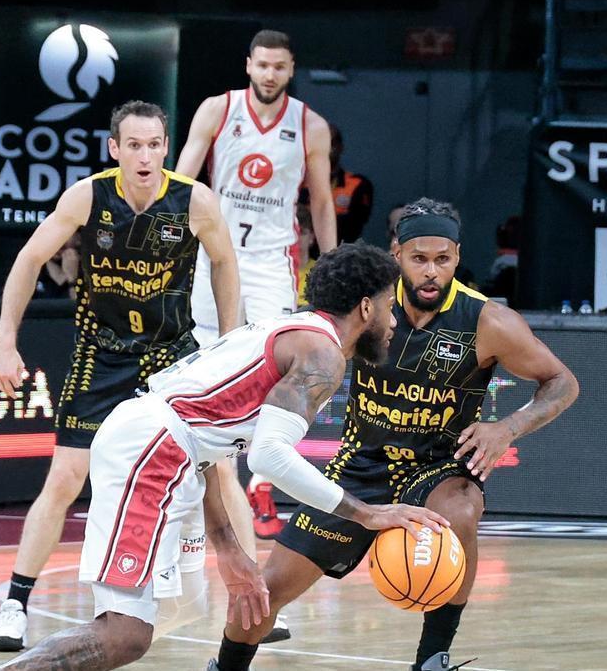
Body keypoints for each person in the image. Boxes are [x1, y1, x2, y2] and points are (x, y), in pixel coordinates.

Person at [0, 243, 449, 671]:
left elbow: (208, 436)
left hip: (173, 449)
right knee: (126, 634)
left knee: (184, 602)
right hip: (153, 447)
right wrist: (366, 514)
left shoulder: (295, 331)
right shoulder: (322, 353)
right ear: (366, 308)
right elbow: (269, 457)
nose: (393, 323)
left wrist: (228, 544)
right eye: (390, 306)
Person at [211, 199, 580, 671]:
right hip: (362, 466)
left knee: (462, 509)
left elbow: (563, 382)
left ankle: (433, 657)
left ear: (458, 257)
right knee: (267, 591)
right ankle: (225, 666)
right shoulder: (363, 309)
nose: (431, 272)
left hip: (440, 466)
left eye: (443, 260)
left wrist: (507, 427)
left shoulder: (488, 322)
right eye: (419, 259)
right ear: (396, 254)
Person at [0, 100, 241, 653]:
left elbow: (224, 262)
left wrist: (231, 340)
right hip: (101, 355)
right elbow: (28, 260)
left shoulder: (195, 202)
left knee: (216, 473)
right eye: (135, 146)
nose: (146, 156)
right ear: (115, 149)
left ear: (165, 149)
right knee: (65, 479)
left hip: (172, 360)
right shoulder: (88, 197)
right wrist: (5, 342)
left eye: (155, 145)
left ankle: (245, 589)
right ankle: (13, 605)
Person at [175, 29, 337, 563]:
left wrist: (330, 265)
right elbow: (182, 181)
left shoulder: (309, 125)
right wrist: (169, 241)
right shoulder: (217, 110)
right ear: (248, 65)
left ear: (292, 70)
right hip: (216, 255)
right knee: (209, 365)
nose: (270, 74)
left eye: (280, 67)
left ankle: (262, 480)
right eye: (262, 65)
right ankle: (199, 479)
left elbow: (320, 201)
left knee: (275, 373)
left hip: (272, 261)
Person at [328, 123, 374, 245]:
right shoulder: (300, 182)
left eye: (331, 143)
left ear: (340, 147)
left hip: (342, 252)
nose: (326, 149)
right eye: (321, 143)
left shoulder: (358, 184)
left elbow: (354, 226)